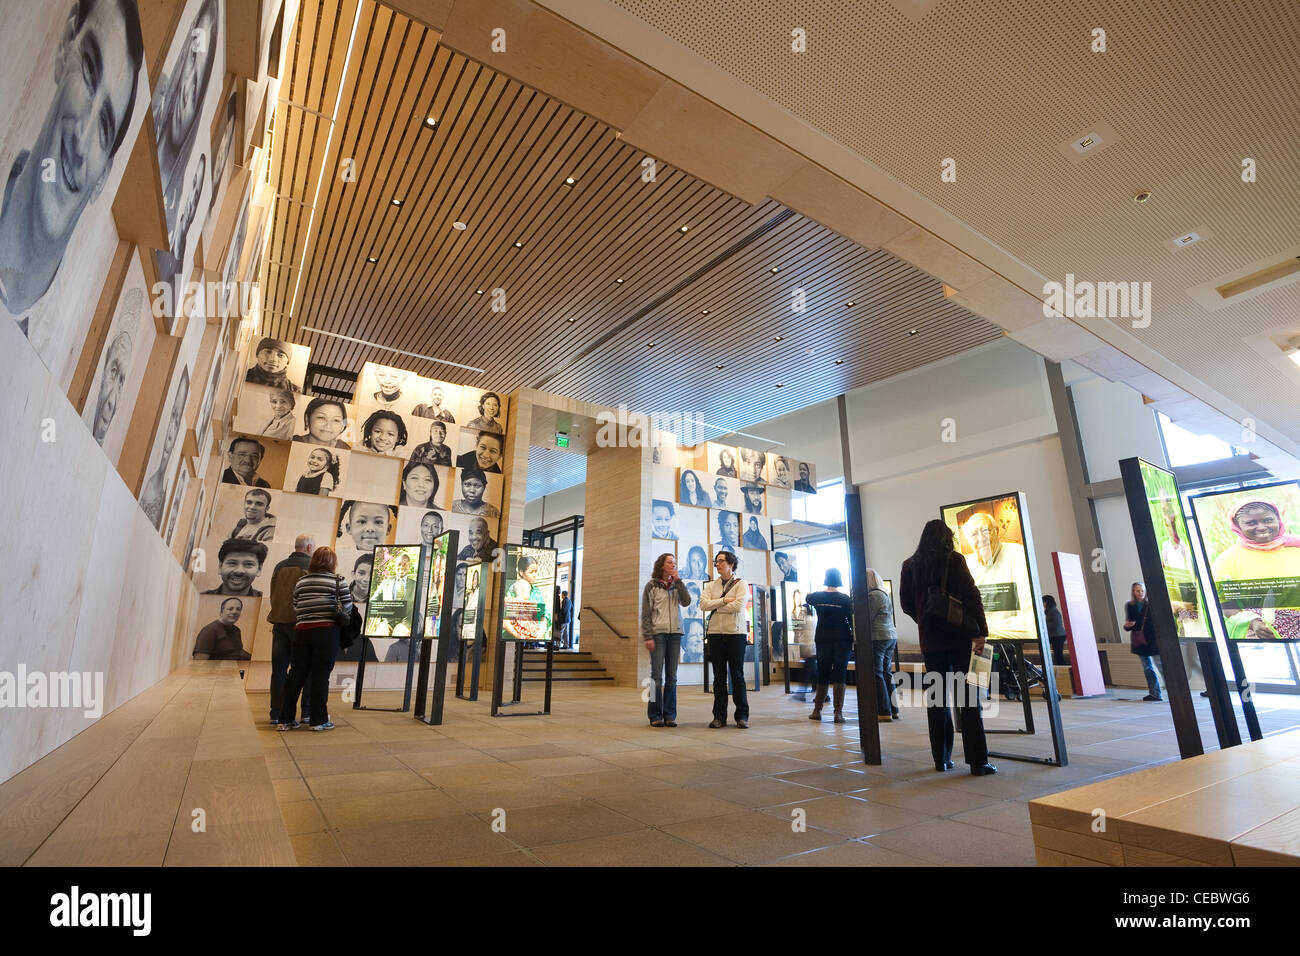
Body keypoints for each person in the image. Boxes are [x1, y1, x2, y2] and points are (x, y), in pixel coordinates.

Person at [1, 0, 145, 336]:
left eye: (105, 128)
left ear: (103, 179)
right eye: (90, 71)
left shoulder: (61, 332)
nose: (80, 140)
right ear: (65, 47)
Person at [900, 519, 997, 775]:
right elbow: (972, 595)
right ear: (947, 538)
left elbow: (906, 604)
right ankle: (978, 762)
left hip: (931, 643)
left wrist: (925, 618)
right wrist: (981, 632)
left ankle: (941, 759)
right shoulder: (954, 560)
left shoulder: (909, 566)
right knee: (968, 701)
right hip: (959, 638)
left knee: (936, 700)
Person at [279, 547, 353, 731]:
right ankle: (318, 719)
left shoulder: (302, 581)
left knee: (295, 675)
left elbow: (296, 605)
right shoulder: (338, 581)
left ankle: (285, 719)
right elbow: (348, 607)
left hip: (302, 632)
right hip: (326, 633)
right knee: (321, 676)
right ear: (332, 562)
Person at [960, 511, 1034, 641]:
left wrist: (981, 631)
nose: (982, 539)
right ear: (968, 541)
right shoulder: (966, 563)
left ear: (997, 531)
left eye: (985, 531)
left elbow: (1029, 624)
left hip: (1009, 641)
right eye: (974, 534)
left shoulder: (1017, 554)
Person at [267, 535, 313, 723]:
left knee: (278, 669)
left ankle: (276, 713)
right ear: (309, 547)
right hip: (300, 624)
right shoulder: (311, 566)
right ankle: (307, 712)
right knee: (305, 669)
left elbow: (273, 594)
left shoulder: (279, 566)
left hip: (279, 623)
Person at [640, 552, 690, 727]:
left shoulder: (677, 585)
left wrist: (679, 582)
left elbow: (687, 602)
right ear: (662, 565)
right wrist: (648, 635)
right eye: (670, 562)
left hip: (675, 634)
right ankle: (654, 714)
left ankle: (670, 714)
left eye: (675, 563)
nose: (673, 565)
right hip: (658, 634)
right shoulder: (651, 586)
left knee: (672, 677)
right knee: (655, 677)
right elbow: (646, 614)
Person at [701, 550, 749, 728]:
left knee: (737, 675)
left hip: (736, 634)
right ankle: (719, 716)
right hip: (715, 634)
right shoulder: (711, 586)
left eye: (721, 561)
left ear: (731, 564)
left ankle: (742, 716)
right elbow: (703, 605)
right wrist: (724, 601)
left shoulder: (741, 584)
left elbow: (738, 606)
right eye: (716, 561)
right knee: (719, 677)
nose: (717, 564)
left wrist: (717, 604)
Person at [140, 371, 189, 529]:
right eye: (172, 416)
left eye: (178, 418)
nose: (171, 431)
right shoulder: (144, 477)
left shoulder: (167, 493)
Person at [805, 568, 854, 722]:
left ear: (825, 578)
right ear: (839, 579)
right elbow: (851, 618)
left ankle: (817, 710)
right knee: (840, 674)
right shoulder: (845, 599)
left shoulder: (817, 597)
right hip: (842, 639)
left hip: (822, 639)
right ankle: (838, 713)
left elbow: (808, 598)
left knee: (823, 673)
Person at [1211, 499, 1300, 580]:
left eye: (1268, 520)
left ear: (1278, 520)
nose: (1261, 527)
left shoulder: (1297, 546)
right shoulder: (1227, 560)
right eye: (1251, 523)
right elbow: (1221, 596)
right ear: (1237, 527)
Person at [866, 568, 899, 721]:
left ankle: (884, 711)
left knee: (877, 672)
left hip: (878, 636)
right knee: (886, 673)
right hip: (890, 635)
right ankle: (894, 709)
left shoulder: (872, 596)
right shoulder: (884, 593)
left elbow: (867, 617)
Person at [1123, 582, 1163, 702]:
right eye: (1137, 591)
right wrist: (1127, 626)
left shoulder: (1151, 604)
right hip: (1140, 641)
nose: (1140, 593)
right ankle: (1154, 693)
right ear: (1133, 592)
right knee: (1147, 668)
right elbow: (1129, 624)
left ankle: (1174, 691)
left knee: (1161, 666)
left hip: (1153, 640)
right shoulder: (1130, 605)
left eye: (1142, 590)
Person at [337, 554, 378, 663]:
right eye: (361, 573)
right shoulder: (342, 595)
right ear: (353, 574)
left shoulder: (364, 642)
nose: (366, 579)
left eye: (371, 574)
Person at [503, 555, 551, 641]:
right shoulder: (511, 591)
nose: (535, 575)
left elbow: (544, 614)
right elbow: (505, 620)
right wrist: (518, 635)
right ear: (521, 572)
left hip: (534, 637)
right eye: (531, 572)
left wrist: (540, 632)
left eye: (536, 571)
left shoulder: (537, 592)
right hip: (513, 638)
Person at [203, 539, 267, 596]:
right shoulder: (200, 599)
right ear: (220, 566)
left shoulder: (267, 604)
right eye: (232, 563)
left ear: (259, 569)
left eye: (248, 564)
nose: (239, 571)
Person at [1043, 595, 1068, 664]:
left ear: (1047, 602)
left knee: (1058, 654)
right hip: (1055, 635)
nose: (1042, 604)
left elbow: (1057, 623)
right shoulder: (1050, 610)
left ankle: (1063, 668)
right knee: (1057, 654)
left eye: (1043, 602)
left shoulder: (1053, 610)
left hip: (1058, 635)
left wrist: (1044, 625)